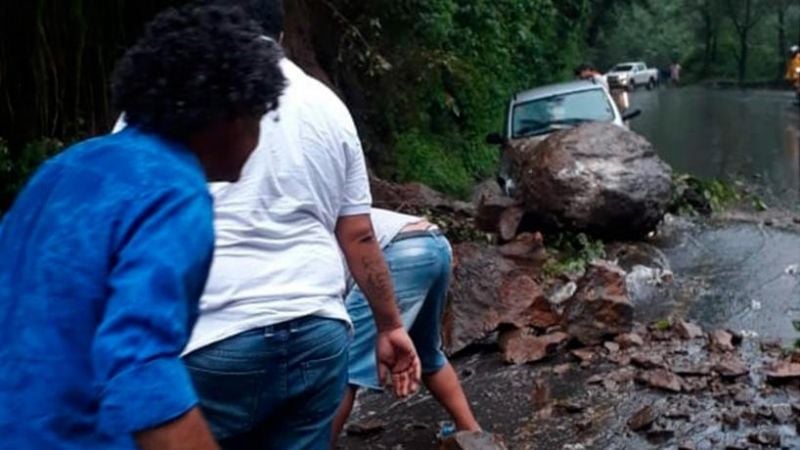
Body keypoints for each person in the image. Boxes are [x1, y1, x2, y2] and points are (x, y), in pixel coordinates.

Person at [0, 4, 285, 450]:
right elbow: (139, 364)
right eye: (260, 116)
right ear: (230, 117)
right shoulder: (175, 192)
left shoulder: (63, 169)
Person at [178, 1, 421, 449]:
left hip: (214, 337)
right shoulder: (327, 106)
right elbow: (359, 235)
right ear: (282, 35)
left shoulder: (171, 93)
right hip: (317, 329)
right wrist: (390, 325)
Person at [332, 209, 481, 440]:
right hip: (436, 243)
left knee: (341, 363)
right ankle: (471, 432)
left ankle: (319, 444)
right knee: (426, 350)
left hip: (399, 251)